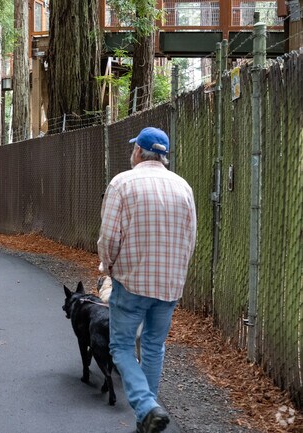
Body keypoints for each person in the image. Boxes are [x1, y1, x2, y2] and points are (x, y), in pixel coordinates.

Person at [97, 127, 197, 433]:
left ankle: (146, 405)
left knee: (122, 347)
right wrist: (177, 273)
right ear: (163, 156)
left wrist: (107, 266)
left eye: (133, 150)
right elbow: (191, 238)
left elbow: (109, 236)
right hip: (169, 285)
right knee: (154, 346)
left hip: (131, 282)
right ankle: (147, 421)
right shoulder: (183, 187)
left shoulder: (122, 183)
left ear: (139, 152)